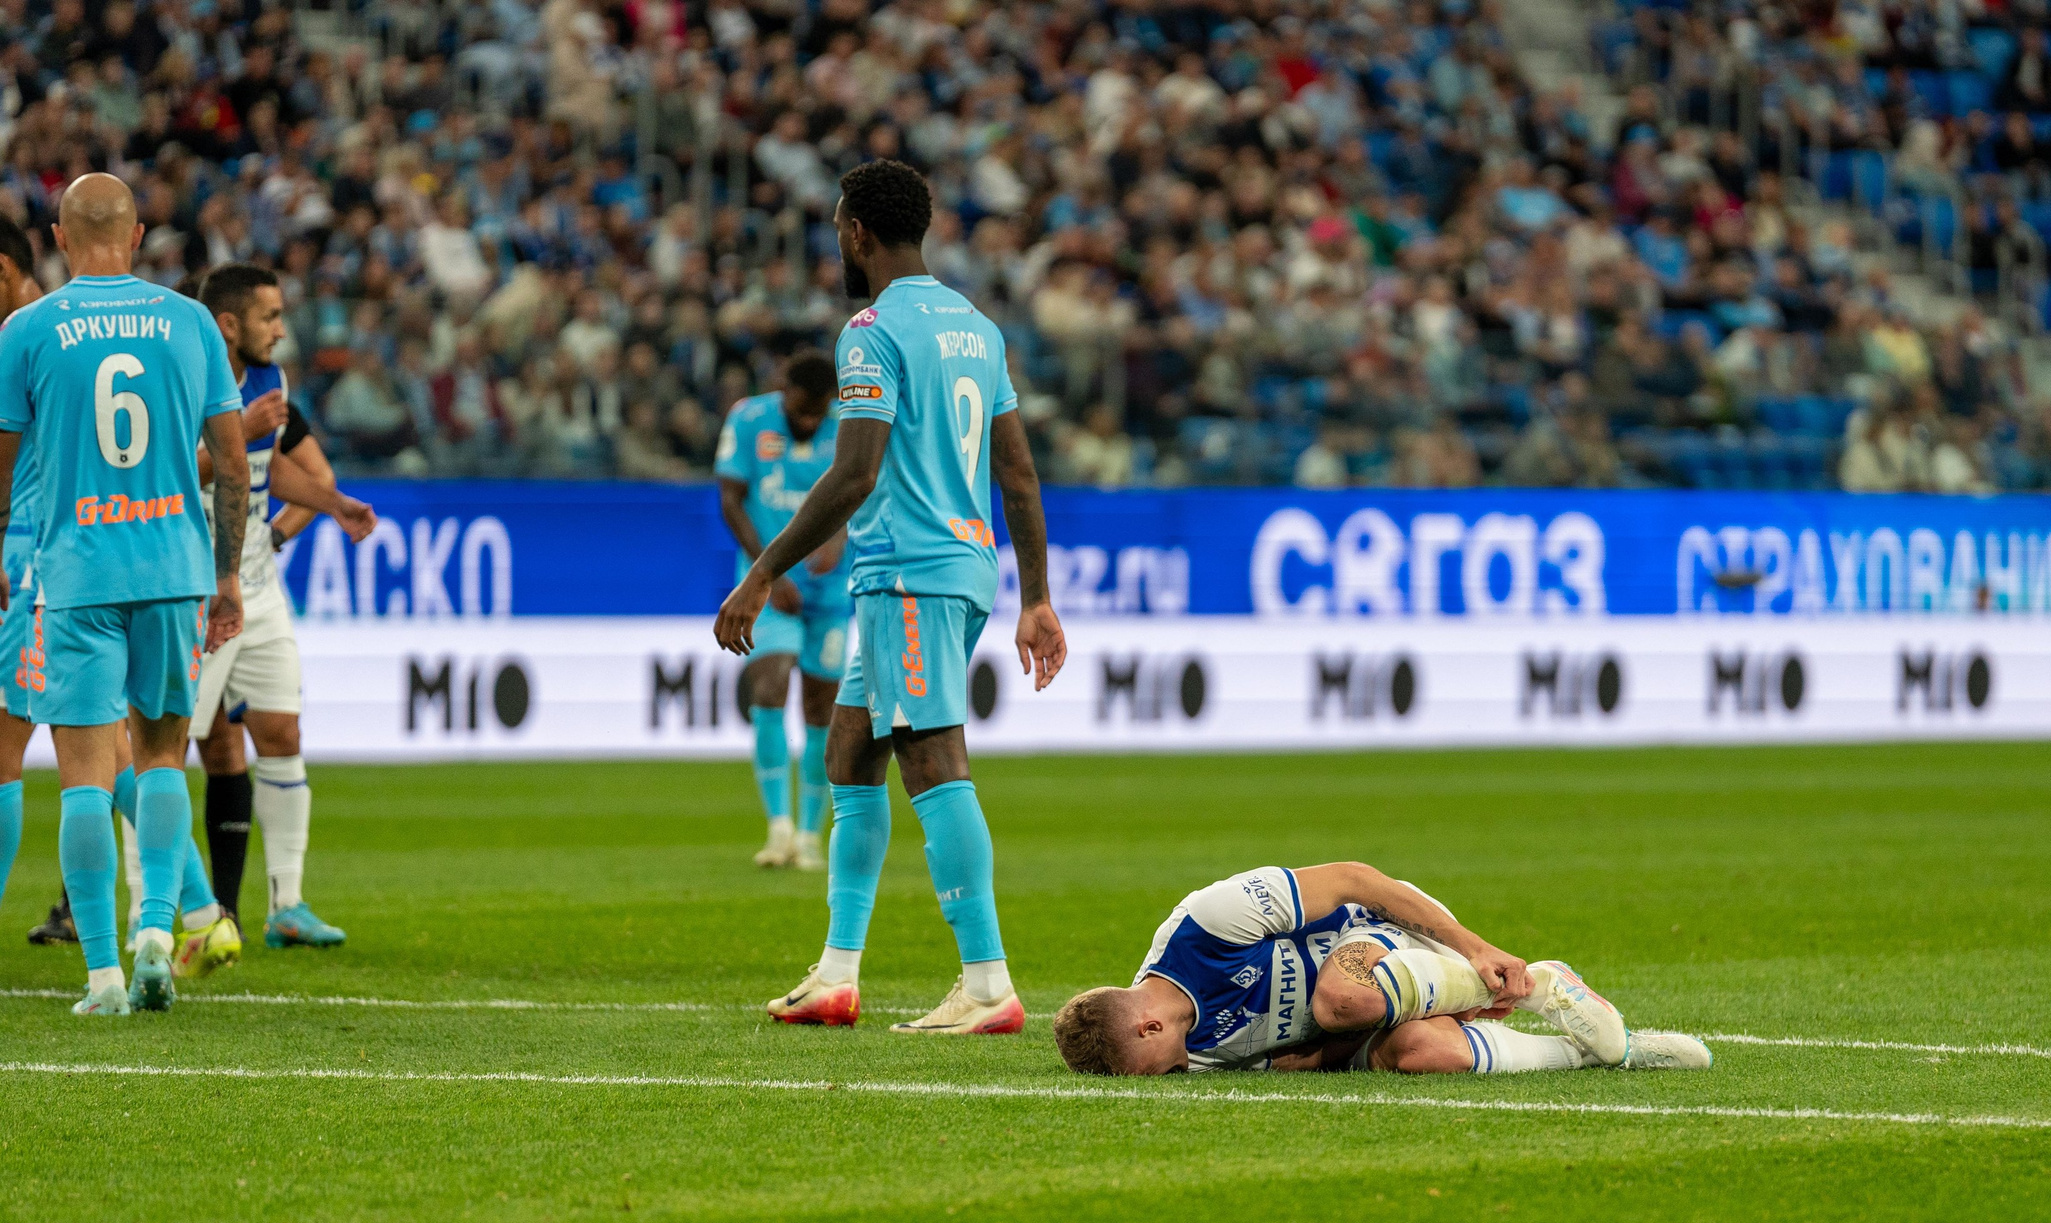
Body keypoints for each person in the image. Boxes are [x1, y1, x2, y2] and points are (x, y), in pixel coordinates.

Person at [716, 159, 1069, 1034]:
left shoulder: (871, 331)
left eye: (839, 226)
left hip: (909, 569)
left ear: (858, 232)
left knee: (931, 759)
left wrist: (763, 572)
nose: (838, 240)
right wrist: (1036, 596)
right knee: (849, 754)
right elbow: (1016, 470)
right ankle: (837, 974)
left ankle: (987, 983)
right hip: (946, 566)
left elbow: (855, 470)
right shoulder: (976, 328)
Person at [0, 173, 250, 1014]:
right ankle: (159, 928)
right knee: (159, 755)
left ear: (61, 240)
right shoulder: (189, 323)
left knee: (80, 778)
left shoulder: (27, 331)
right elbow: (235, 457)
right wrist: (224, 574)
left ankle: (104, 974)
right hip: (173, 568)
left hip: (76, 574)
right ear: (138, 235)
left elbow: (2, 470)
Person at [1050, 863, 1713, 1076]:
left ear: (1143, 1029)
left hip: (1388, 936)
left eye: (1155, 1070)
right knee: (1423, 1053)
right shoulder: (1197, 1052)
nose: (1172, 1076)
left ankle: (1531, 983)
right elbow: (1302, 1062)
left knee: (1339, 997)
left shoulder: (1206, 926)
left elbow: (1353, 877)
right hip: (1372, 1012)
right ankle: (1584, 1052)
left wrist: (1474, 946)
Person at [191, 261, 376, 949]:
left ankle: (287, 907)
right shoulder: (186, 371)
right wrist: (238, 429)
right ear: (230, 324)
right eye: (270, 316)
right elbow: (174, 468)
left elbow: (268, 466)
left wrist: (332, 504)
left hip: (260, 586)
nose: (282, 328)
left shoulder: (273, 380)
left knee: (282, 734)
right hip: (197, 588)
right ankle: (148, 913)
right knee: (163, 743)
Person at [714, 349, 846, 871]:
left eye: (819, 411)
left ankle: (810, 836)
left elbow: (865, 487)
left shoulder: (850, 422)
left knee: (821, 708)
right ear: (783, 390)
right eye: (802, 409)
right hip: (768, 587)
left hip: (832, 590)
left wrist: (837, 536)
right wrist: (766, 571)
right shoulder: (748, 419)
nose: (810, 420)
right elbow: (730, 498)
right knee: (770, 685)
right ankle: (779, 828)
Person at [0, 215, 43, 929]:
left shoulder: (27, 338)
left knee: (5, 743)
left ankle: (191, 902)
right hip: (58, 553)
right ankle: (190, 903)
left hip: (28, 559)